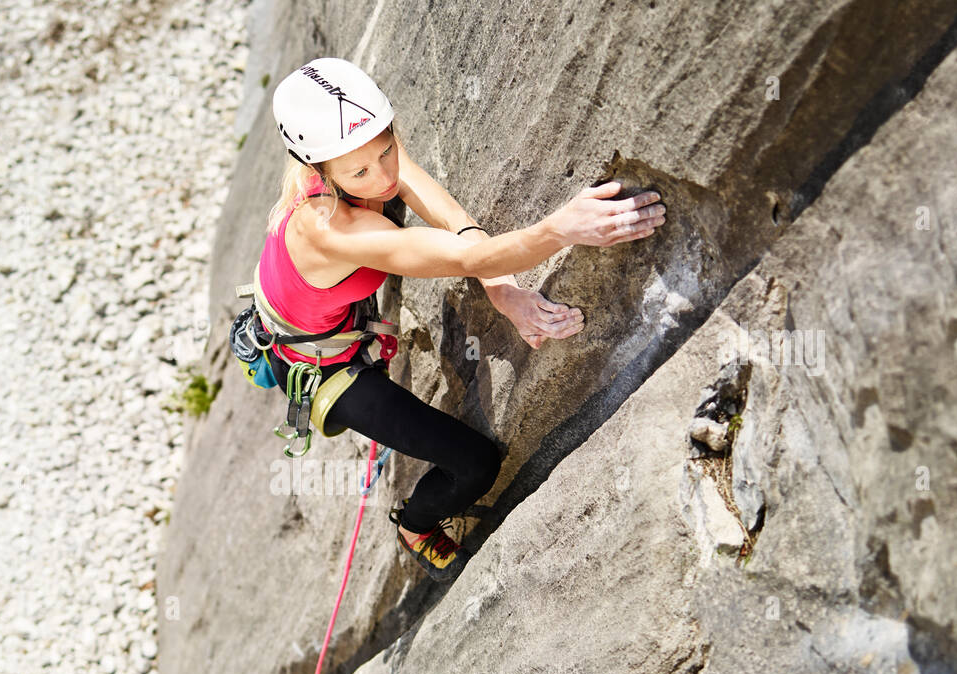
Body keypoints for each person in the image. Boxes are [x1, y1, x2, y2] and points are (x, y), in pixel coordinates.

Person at [260, 58, 667, 580]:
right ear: (319, 172)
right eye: (361, 173)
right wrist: (560, 229)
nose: (385, 177)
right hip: (323, 368)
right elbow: (465, 257)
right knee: (475, 464)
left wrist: (502, 289)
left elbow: (453, 225)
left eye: (387, 151)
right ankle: (415, 526)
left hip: (328, 317)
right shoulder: (329, 228)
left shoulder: (350, 147)